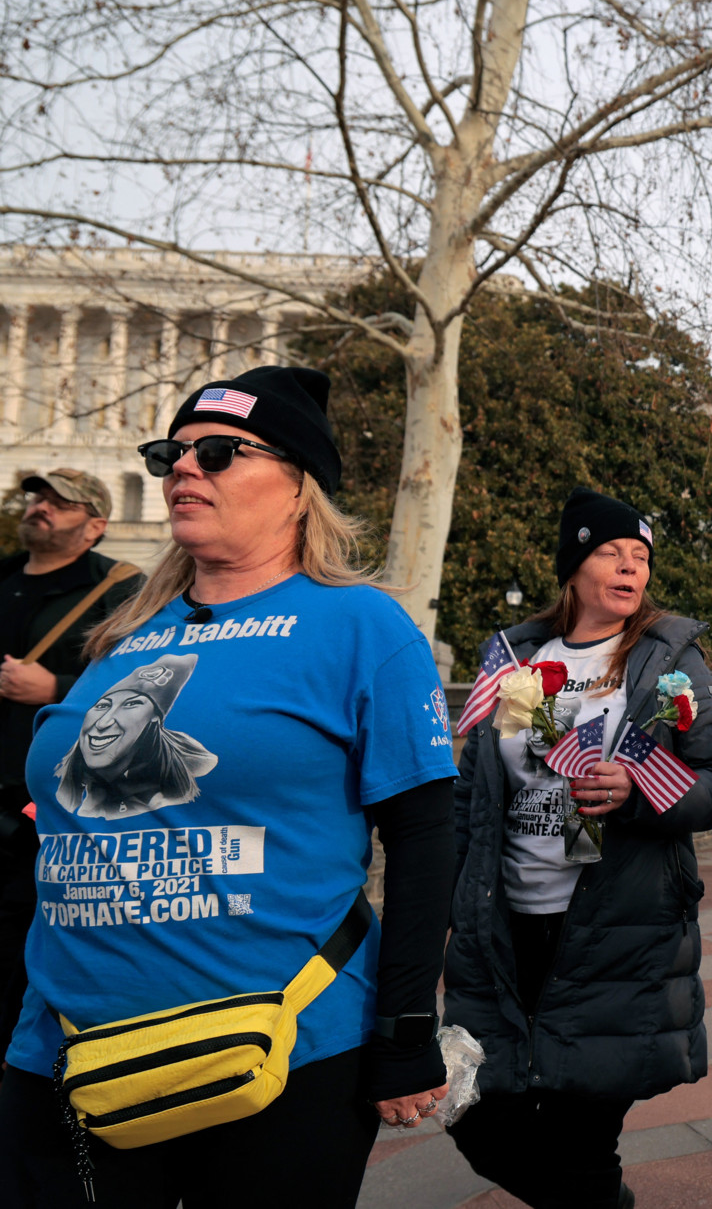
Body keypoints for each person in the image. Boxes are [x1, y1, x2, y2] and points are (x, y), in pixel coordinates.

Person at [0, 367, 456, 1207]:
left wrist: (406, 1031)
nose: (184, 468)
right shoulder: (125, 631)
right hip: (64, 1044)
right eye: (171, 452)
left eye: (218, 452)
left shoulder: (361, 624)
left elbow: (428, 835)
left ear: (297, 487)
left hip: (274, 1048)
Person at [442, 486, 712, 1209]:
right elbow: (473, 795)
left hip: (619, 928)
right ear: (573, 564)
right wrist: (445, 906)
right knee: (475, 1113)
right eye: (611, 551)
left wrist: (637, 795)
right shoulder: (515, 656)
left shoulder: (666, 659)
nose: (629, 566)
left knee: (583, 1132)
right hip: (508, 929)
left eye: (640, 556)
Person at [0, 470, 144, 1046]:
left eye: (61, 503)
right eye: (39, 498)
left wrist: (54, 687)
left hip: (45, 808)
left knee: (21, 940)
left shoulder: (118, 587)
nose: (41, 508)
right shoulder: (6, 574)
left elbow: (143, 691)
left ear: (96, 526)